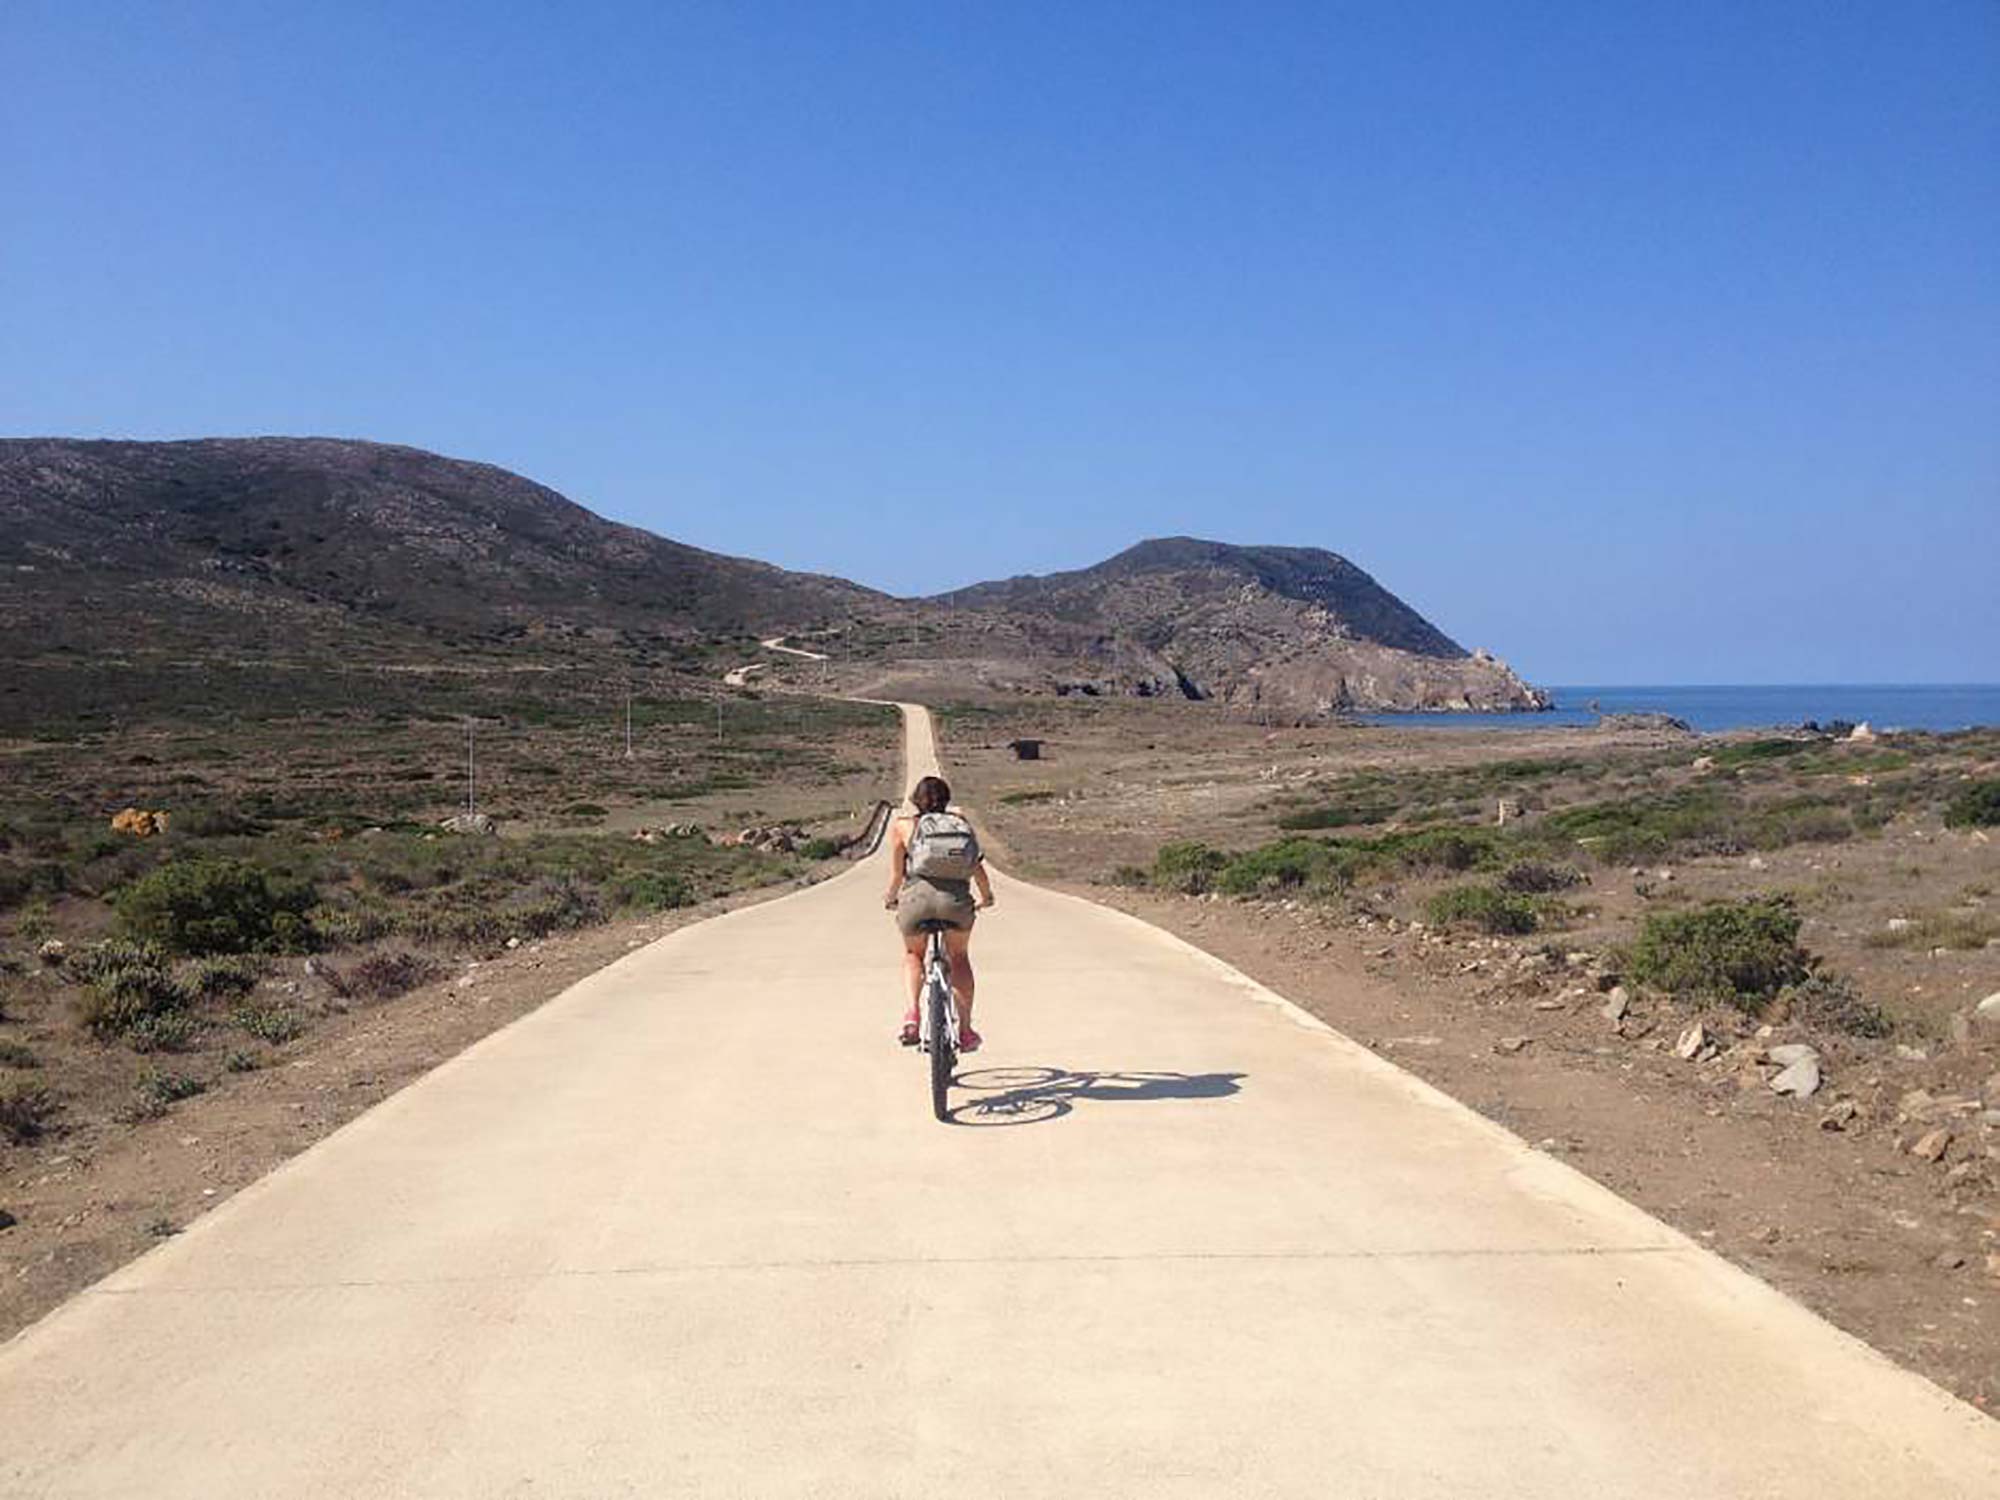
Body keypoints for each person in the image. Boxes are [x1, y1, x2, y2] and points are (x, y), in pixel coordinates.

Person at [884, 775, 994, 1050]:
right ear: (946, 799)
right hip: (955, 901)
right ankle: (966, 1031)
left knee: (913, 955)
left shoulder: (903, 826)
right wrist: (987, 896)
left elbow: (898, 875)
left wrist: (890, 898)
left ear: (915, 800)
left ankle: (912, 1015)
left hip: (916, 901)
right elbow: (976, 868)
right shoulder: (961, 824)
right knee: (959, 957)